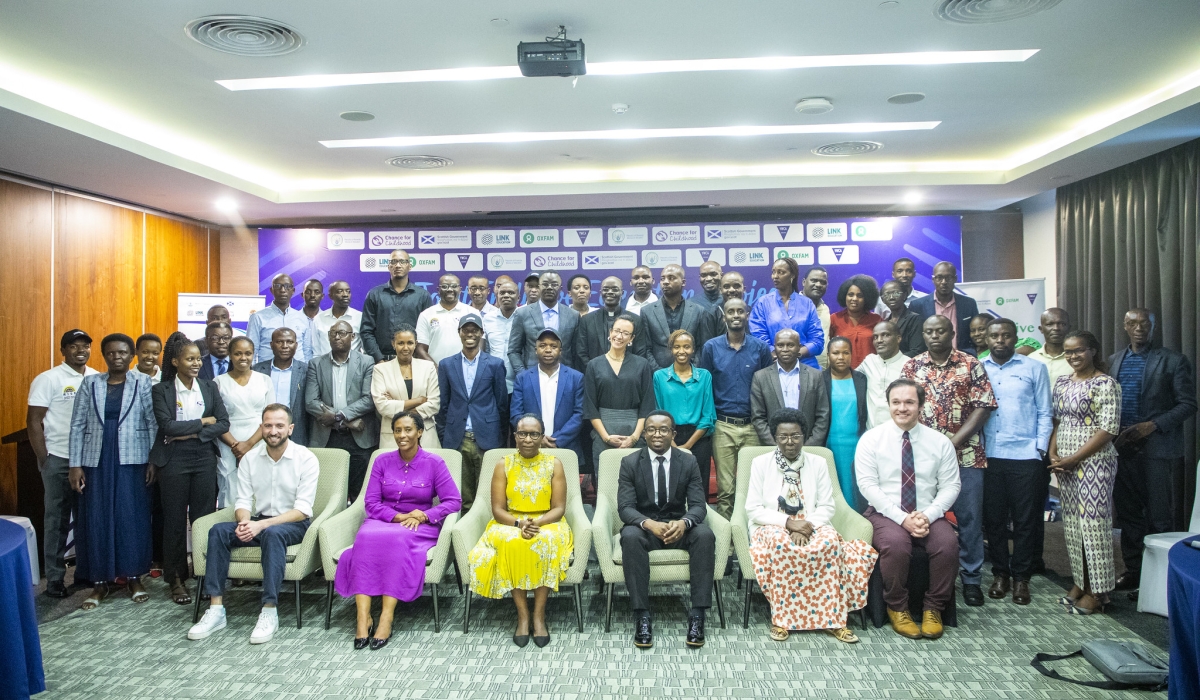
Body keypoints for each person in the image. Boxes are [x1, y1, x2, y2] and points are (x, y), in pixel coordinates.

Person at [188, 404, 320, 644]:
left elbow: (302, 510)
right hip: (259, 521)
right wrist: (245, 522)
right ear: (261, 428)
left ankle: (269, 610)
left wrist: (262, 526)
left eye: (279, 425)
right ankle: (216, 609)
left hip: (294, 524)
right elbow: (242, 500)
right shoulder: (250, 458)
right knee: (218, 531)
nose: (273, 431)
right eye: (268, 425)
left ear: (290, 429)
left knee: (273, 534)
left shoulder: (306, 458)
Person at [746, 408, 877, 643]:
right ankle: (782, 620)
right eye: (783, 437)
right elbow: (753, 509)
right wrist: (790, 524)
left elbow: (827, 506)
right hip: (772, 524)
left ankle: (834, 620)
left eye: (795, 436)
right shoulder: (760, 463)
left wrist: (805, 526)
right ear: (775, 438)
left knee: (830, 543)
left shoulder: (818, 462)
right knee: (782, 545)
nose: (789, 442)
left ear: (804, 436)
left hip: (812, 522)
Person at [334, 411, 461, 650]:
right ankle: (363, 618)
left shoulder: (434, 463)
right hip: (385, 520)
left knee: (397, 539)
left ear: (420, 432)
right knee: (364, 537)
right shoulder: (382, 461)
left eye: (408, 430)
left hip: (418, 526)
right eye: (397, 430)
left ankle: (386, 617)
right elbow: (371, 503)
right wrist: (398, 516)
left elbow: (453, 501)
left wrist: (425, 515)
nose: (402, 435)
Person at [901, 315, 996, 607]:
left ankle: (971, 580)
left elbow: (983, 407)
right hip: (922, 459)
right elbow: (904, 408)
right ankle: (930, 576)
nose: (934, 336)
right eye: (929, 332)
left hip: (966, 455)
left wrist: (951, 443)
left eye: (940, 331)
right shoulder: (912, 366)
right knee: (925, 516)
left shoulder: (971, 364)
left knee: (969, 519)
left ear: (952, 332)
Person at [855, 378, 961, 639]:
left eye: (909, 402)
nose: (902, 408)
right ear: (888, 404)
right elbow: (867, 486)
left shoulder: (940, 442)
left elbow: (951, 486)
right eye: (896, 402)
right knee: (896, 545)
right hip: (885, 513)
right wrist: (903, 519)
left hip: (928, 513)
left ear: (921, 405)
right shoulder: (871, 440)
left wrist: (928, 515)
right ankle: (897, 607)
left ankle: (934, 608)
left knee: (947, 545)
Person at [1108, 308, 1198, 591]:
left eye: (1145, 323)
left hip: (1157, 449)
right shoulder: (1112, 361)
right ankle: (1134, 572)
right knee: (1129, 515)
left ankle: (1160, 580)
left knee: (1159, 516)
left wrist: (1153, 425)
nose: (1139, 328)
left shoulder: (1173, 360)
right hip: (1122, 449)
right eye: (1133, 323)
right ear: (1124, 326)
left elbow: (1188, 404)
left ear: (1153, 326)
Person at [68, 334, 157, 610]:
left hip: (133, 459)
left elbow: (152, 422)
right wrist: (75, 465)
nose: (116, 357)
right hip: (96, 459)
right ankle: (99, 582)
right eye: (110, 353)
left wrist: (153, 460)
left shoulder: (143, 382)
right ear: (104, 355)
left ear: (131, 355)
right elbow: (77, 425)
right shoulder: (91, 383)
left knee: (131, 517)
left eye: (122, 352)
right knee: (98, 517)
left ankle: (134, 577)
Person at [469, 414, 573, 648]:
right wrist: (520, 525)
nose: (528, 439)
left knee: (545, 541)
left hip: (547, 521)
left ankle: (539, 615)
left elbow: (559, 508)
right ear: (515, 436)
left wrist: (537, 524)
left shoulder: (554, 464)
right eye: (522, 434)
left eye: (534, 434)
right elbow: (497, 510)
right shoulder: (502, 464)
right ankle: (523, 616)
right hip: (510, 521)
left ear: (542, 437)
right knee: (514, 542)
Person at [617, 411, 715, 649]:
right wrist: (649, 524)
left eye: (663, 429)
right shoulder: (630, 462)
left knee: (704, 535)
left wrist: (684, 523)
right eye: (651, 429)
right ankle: (642, 615)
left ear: (673, 433)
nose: (657, 434)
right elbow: (625, 508)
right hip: (646, 528)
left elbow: (698, 505)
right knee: (629, 536)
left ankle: (697, 615)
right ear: (644, 434)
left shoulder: (688, 461)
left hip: (677, 526)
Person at [151, 334, 230, 606]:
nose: (196, 363)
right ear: (175, 362)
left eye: (198, 359)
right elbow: (167, 427)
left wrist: (194, 433)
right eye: (190, 359)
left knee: (203, 519)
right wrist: (203, 423)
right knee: (174, 520)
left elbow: (223, 423)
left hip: (204, 456)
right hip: (173, 459)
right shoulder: (161, 390)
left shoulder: (209, 386)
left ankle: (204, 574)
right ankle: (175, 578)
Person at [980, 318, 1052, 606]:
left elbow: (1045, 411)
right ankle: (1001, 574)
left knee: (1025, 520)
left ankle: (1022, 577)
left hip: (1025, 456)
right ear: (987, 339)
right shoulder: (978, 368)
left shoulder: (1034, 368)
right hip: (990, 455)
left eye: (1006, 335)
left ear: (1016, 337)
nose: (1000, 340)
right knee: (994, 520)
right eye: (995, 336)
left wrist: (1040, 449)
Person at [1050, 331, 1122, 614]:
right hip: (1065, 464)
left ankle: (1098, 592)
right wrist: (1053, 454)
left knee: (1094, 527)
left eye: (1079, 350)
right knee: (1072, 526)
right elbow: (1058, 421)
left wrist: (1074, 458)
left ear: (1093, 351)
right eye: (1068, 352)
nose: (1073, 356)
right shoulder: (1063, 382)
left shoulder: (1106, 384)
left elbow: (1109, 429)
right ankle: (1081, 582)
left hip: (1095, 462)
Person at [27, 329, 99, 598]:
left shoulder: (96, 377)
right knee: (56, 521)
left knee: (88, 518)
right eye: (74, 346)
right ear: (63, 350)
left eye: (85, 346)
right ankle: (55, 579)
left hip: (90, 459)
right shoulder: (48, 379)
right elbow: (33, 421)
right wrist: (44, 458)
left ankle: (86, 572)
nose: (81, 350)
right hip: (58, 459)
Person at [699, 299, 774, 519]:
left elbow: (768, 385)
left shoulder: (760, 348)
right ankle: (727, 534)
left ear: (747, 315)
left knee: (753, 488)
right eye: (730, 312)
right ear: (724, 317)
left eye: (740, 311)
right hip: (723, 426)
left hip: (753, 426)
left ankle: (750, 531)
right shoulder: (711, 347)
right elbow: (705, 386)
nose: (735, 315)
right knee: (726, 490)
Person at [436, 314, 509, 509]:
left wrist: (499, 436)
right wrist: (445, 435)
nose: (470, 334)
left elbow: (502, 404)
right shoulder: (446, 365)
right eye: (466, 330)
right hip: (457, 438)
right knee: (463, 495)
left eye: (474, 330)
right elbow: (443, 404)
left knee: (488, 493)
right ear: (459, 333)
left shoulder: (494, 364)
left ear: (481, 333)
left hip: (487, 437)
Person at [307, 320, 380, 499]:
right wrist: (346, 422)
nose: (337, 337)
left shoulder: (366, 361)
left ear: (352, 336)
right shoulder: (316, 364)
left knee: (359, 494)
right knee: (329, 493)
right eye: (333, 333)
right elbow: (311, 402)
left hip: (359, 438)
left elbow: (369, 399)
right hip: (327, 436)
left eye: (342, 333)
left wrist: (339, 416)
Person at [584, 314, 658, 472]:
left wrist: (634, 438)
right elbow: (590, 407)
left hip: (634, 431)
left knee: (636, 479)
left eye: (625, 333)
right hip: (603, 433)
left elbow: (647, 405)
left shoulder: (642, 364)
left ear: (631, 338)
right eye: (617, 331)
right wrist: (606, 437)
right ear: (610, 332)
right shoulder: (593, 365)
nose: (619, 336)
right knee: (604, 479)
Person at [653, 330, 717, 496]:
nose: (682, 351)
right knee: (671, 487)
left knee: (699, 488)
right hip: (668, 437)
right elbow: (658, 413)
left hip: (699, 438)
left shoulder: (704, 376)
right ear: (671, 349)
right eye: (677, 347)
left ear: (693, 349)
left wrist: (687, 446)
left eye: (686, 347)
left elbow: (708, 415)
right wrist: (673, 444)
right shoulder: (659, 377)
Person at [511, 329, 587, 464]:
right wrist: (537, 438)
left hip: (566, 448)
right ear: (535, 350)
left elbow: (579, 414)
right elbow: (516, 414)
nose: (548, 350)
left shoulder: (576, 378)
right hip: (531, 448)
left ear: (560, 351)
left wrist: (557, 440)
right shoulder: (522, 378)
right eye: (542, 345)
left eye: (553, 346)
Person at [214, 337, 273, 509]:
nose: (243, 358)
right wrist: (236, 446)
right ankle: (228, 523)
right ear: (230, 355)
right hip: (228, 443)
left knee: (259, 485)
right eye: (238, 353)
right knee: (230, 487)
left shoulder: (264, 380)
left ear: (253, 354)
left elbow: (270, 417)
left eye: (248, 353)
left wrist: (249, 444)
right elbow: (217, 419)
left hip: (259, 440)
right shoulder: (218, 382)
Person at [751, 329, 830, 447]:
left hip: (808, 447)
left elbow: (823, 415)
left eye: (790, 345)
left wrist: (809, 446)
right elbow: (758, 418)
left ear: (799, 347)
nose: (785, 349)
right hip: (774, 447)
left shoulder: (815, 376)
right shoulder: (760, 377)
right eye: (780, 345)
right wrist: (777, 445)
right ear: (774, 348)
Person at [372, 325, 441, 451]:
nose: (405, 348)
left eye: (409, 343)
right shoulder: (380, 370)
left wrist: (396, 404)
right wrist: (419, 400)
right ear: (393, 344)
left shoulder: (428, 367)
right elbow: (382, 406)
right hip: (392, 438)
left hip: (426, 436)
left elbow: (434, 404)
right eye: (400, 343)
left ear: (416, 344)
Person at [361, 250, 434, 363]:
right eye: (394, 261)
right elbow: (366, 331)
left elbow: (427, 332)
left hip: (414, 362)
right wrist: (379, 359)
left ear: (410, 266)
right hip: (382, 362)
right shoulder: (374, 294)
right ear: (388, 266)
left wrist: (418, 360)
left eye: (402, 262)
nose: (398, 265)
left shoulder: (422, 296)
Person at [749, 257, 823, 369]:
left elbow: (817, 340)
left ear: (792, 275)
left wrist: (796, 354)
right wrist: (776, 354)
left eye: (781, 272)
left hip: (805, 364)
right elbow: (758, 336)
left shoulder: (807, 303)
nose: (775, 276)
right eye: (773, 272)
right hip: (773, 363)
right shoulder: (763, 303)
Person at [823, 337, 869, 509]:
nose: (841, 357)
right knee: (832, 486)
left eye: (845, 353)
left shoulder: (861, 379)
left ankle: (857, 521)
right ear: (828, 355)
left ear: (851, 354)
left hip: (857, 444)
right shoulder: (819, 379)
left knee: (855, 489)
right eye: (836, 353)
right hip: (829, 444)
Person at [507, 271, 581, 373]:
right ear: (539, 287)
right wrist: (523, 375)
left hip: (564, 376)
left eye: (554, 284)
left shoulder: (573, 315)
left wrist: (573, 376)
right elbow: (514, 350)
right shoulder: (522, 314)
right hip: (532, 375)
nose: (549, 287)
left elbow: (576, 352)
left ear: (561, 288)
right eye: (545, 284)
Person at [641, 264, 714, 369]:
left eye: (671, 278)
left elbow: (701, 347)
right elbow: (646, 349)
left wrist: (691, 371)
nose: (665, 282)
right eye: (662, 279)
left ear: (683, 282)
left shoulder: (698, 310)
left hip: (691, 374)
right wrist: (659, 373)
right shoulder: (647, 311)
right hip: (658, 373)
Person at [575, 276, 652, 369]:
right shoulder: (587, 320)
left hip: (628, 374)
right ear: (600, 293)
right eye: (606, 289)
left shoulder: (636, 320)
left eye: (615, 289)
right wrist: (596, 371)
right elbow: (581, 352)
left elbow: (640, 352)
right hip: (595, 374)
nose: (610, 292)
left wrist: (625, 373)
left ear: (622, 293)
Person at [252, 328, 309, 446]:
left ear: (296, 345)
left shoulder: (306, 370)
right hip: (263, 432)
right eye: (279, 342)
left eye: (290, 342)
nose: (285, 346)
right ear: (271, 345)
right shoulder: (257, 370)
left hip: (296, 433)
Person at [908, 262, 980, 355]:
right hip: (929, 359)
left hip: (963, 359)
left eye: (948, 278)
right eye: (939, 277)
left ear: (955, 279)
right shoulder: (917, 305)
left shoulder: (969, 304)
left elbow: (976, 333)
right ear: (933, 279)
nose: (944, 282)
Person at [246, 274, 312, 363]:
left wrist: (306, 369)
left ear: (293, 291)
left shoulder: (302, 318)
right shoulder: (257, 317)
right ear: (271, 290)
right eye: (277, 286)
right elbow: (251, 349)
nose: (282, 290)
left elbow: (307, 351)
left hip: (297, 370)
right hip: (267, 369)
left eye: (287, 286)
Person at [860, 321, 909, 430]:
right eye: (875, 337)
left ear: (898, 338)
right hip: (871, 433)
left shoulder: (910, 366)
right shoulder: (869, 361)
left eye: (885, 335)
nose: (879, 340)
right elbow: (847, 375)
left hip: (900, 433)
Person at [415, 274, 473, 364]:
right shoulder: (426, 315)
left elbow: (479, 345)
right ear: (438, 290)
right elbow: (420, 349)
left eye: (454, 286)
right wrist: (436, 369)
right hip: (435, 369)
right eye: (445, 286)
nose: (449, 289)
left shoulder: (471, 313)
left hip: (465, 369)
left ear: (460, 289)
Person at [829, 275, 883, 368]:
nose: (854, 299)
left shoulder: (876, 320)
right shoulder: (834, 319)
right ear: (844, 296)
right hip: (843, 372)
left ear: (867, 298)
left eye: (860, 296)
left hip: (871, 371)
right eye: (850, 295)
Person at [482, 278, 520, 393]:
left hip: (519, 382)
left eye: (511, 293)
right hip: (493, 382)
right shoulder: (487, 318)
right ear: (497, 296)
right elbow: (486, 349)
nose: (506, 296)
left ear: (518, 297)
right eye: (502, 293)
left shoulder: (525, 316)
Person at [311, 280, 363, 357]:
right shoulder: (319, 319)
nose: (345, 294)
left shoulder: (360, 317)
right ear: (331, 296)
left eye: (348, 291)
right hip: (325, 363)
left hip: (354, 363)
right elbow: (316, 351)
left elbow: (366, 348)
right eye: (340, 291)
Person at [879, 280, 926, 357]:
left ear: (904, 295)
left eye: (896, 293)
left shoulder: (915, 319)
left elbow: (918, 351)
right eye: (887, 294)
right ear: (882, 299)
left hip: (909, 363)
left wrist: (893, 361)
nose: (891, 297)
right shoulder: (885, 323)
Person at [1029, 308, 1072, 384]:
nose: (1056, 328)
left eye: (1062, 324)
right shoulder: (1031, 359)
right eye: (1049, 324)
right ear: (1041, 329)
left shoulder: (1078, 359)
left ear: (1069, 328)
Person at [802, 266, 832, 369]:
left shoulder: (825, 309)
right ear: (804, 282)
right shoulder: (792, 306)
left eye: (823, 282)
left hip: (824, 372)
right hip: (801, 371)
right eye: (814, 280)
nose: (818, 285)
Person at [705, 271, 745, 337]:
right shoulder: (712, 314)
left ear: (744, 289)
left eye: (736, 286)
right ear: (720, 290)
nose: (731, 290)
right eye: (726, 287)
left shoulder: (751, 311)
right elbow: (708, 341)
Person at [300, 279, 324, 349]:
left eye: (317, 292)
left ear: (322, 296)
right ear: (302, 295)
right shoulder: (293, 319)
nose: (312, 295)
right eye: (308, 292)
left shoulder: (328, 320)